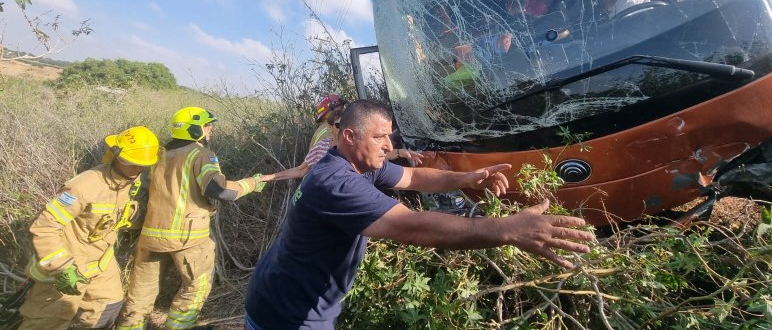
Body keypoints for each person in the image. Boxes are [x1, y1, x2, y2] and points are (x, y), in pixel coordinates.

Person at [244, 100, 594, 329]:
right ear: (349, 136)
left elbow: (412, 176)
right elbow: (411, 226)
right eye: (380, 137)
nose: (388, 146)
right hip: (288, 314)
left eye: (389, 136)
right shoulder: (336, 181)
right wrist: (508, 230)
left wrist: (465, 179)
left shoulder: (360, 164)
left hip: (292, 297)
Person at [116, 107, 273, 330]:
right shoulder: (200, 154)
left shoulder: (157, 155)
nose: (210, 130)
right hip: (188, 239)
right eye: (207, 125)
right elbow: (218, 190)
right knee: (195, 289)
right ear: (194, 129)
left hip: (150, 237)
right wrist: (252, 183)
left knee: (139, 297)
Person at [19, 126, 160, 330]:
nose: (138, 169)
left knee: (107, 307)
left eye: (142, 165)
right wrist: (62, 267)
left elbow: (118, 217)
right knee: (50, 322)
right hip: (67, 267)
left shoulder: (130, 182)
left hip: (100, 264)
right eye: (133, 163)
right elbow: (45, 226)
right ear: (116, 155)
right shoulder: (84, 185)